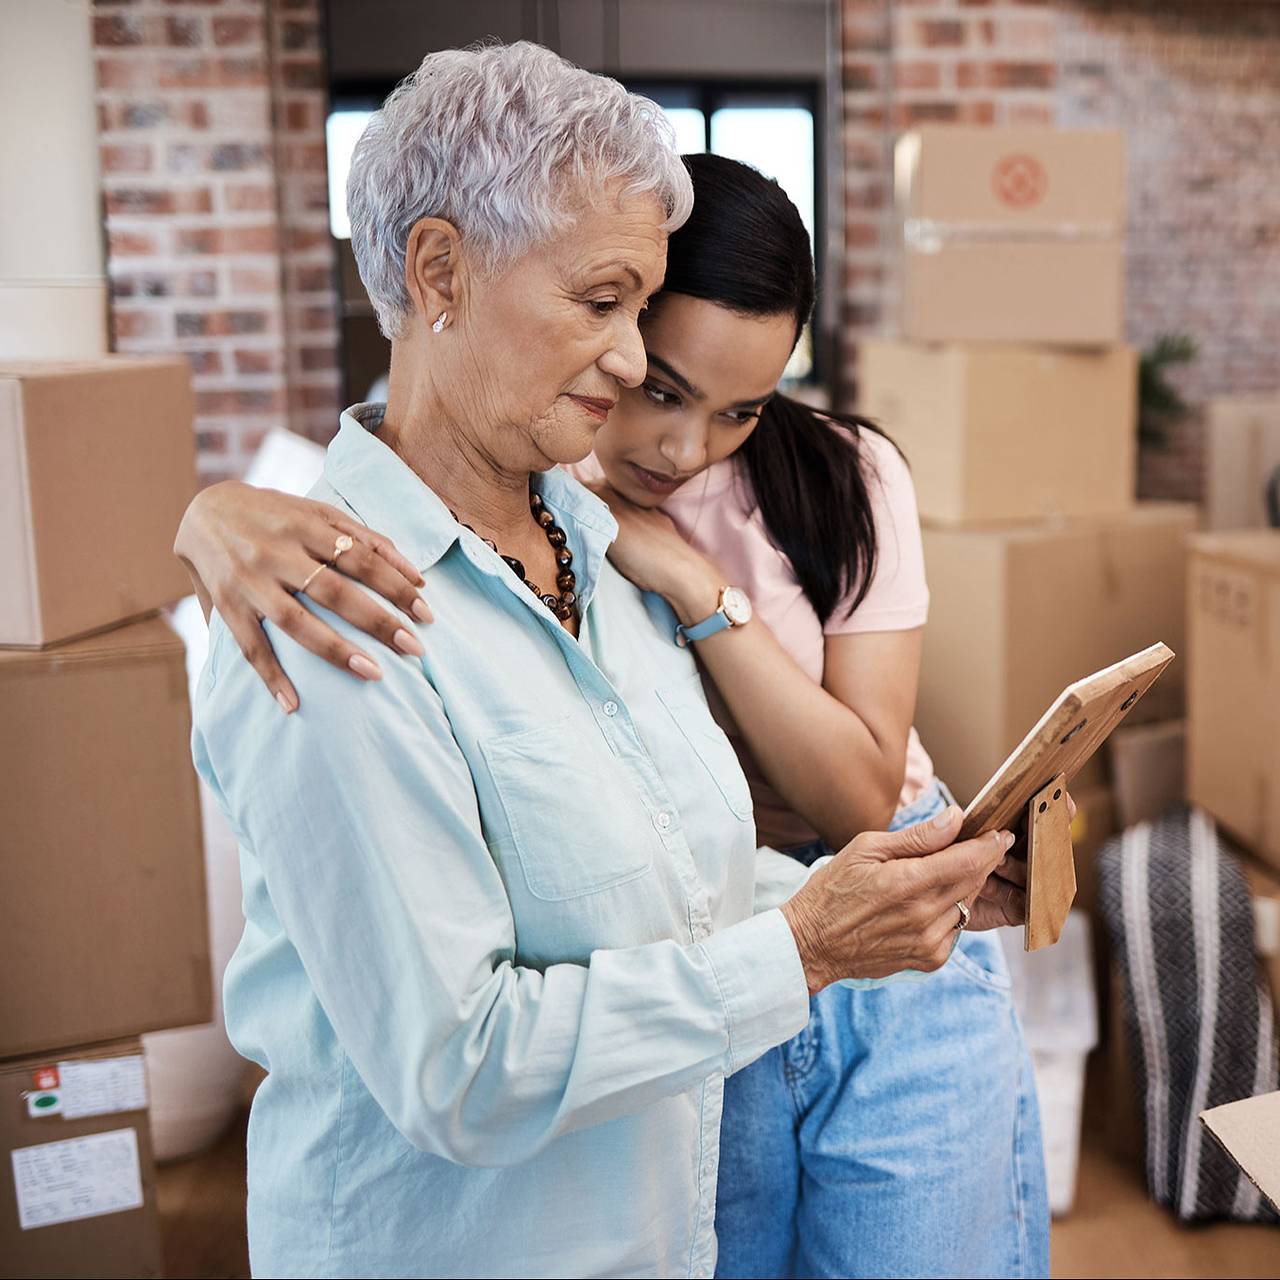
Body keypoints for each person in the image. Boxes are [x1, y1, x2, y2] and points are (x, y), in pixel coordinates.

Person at [183, 42, 1023, 1280]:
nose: (631, 364)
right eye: (601, 303)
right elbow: (461, 1065)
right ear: (438, 272)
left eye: (640, 311)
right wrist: (801, 946)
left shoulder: (591, 548)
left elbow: (667, 878)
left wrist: (872, 894)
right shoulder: (331, 608)